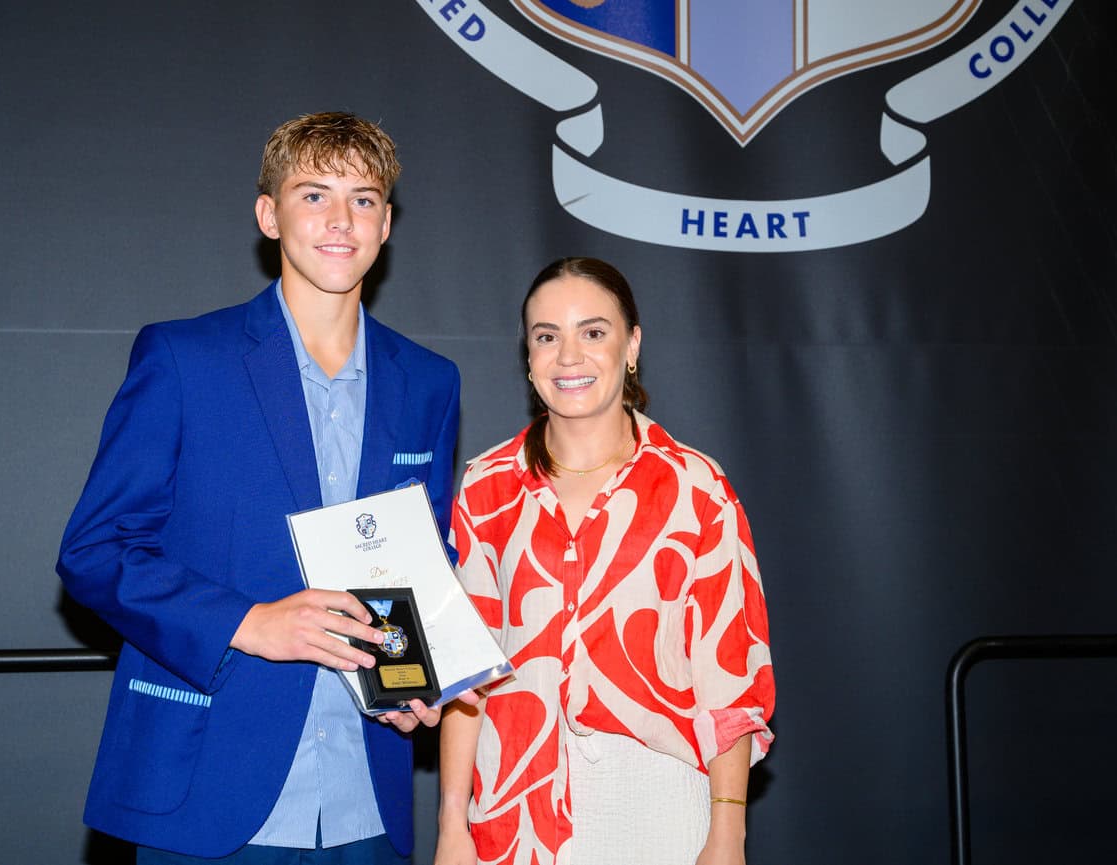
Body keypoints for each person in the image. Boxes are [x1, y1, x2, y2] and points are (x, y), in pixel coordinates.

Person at [57, 111, 469, 864]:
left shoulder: (429, 383)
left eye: (363, 199)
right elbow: (96, 550)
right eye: (314, 195)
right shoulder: (184, 358)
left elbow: (419, 559)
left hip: (366, 795)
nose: (341, 220)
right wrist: (247, 623)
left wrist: (421, 672)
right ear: (268, 215)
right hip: (208, 784)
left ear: (385, 225)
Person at [434, 257, 775, 865]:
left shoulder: (696, 488)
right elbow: (468, 674)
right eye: (547, 337)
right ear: (529, 356)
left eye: (593, 332)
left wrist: (729, 833)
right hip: (512, 816)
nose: (569, 356)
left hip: (657, 809)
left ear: (632, 345)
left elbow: (731, 682)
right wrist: (451, 825)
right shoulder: (488, 486)